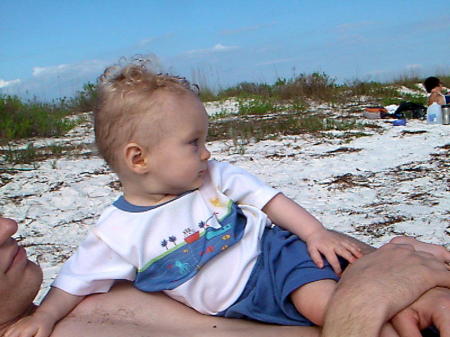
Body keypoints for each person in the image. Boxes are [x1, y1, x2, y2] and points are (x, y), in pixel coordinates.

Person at [5, 62, 450, 337]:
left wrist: (315, 233)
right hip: (241, 303)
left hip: (273, 258)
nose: (207, 152)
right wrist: (45, 318)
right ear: (138, 158)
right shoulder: (114, 233)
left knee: (325, 306)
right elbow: (72, 282)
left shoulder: (211, 178)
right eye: (193, 142)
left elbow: (268, 199)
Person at [1, 217, 449, 337]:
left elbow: (261, 263)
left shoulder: (92, 294)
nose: (8, 226)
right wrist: (369, 295)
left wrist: (410, 280)